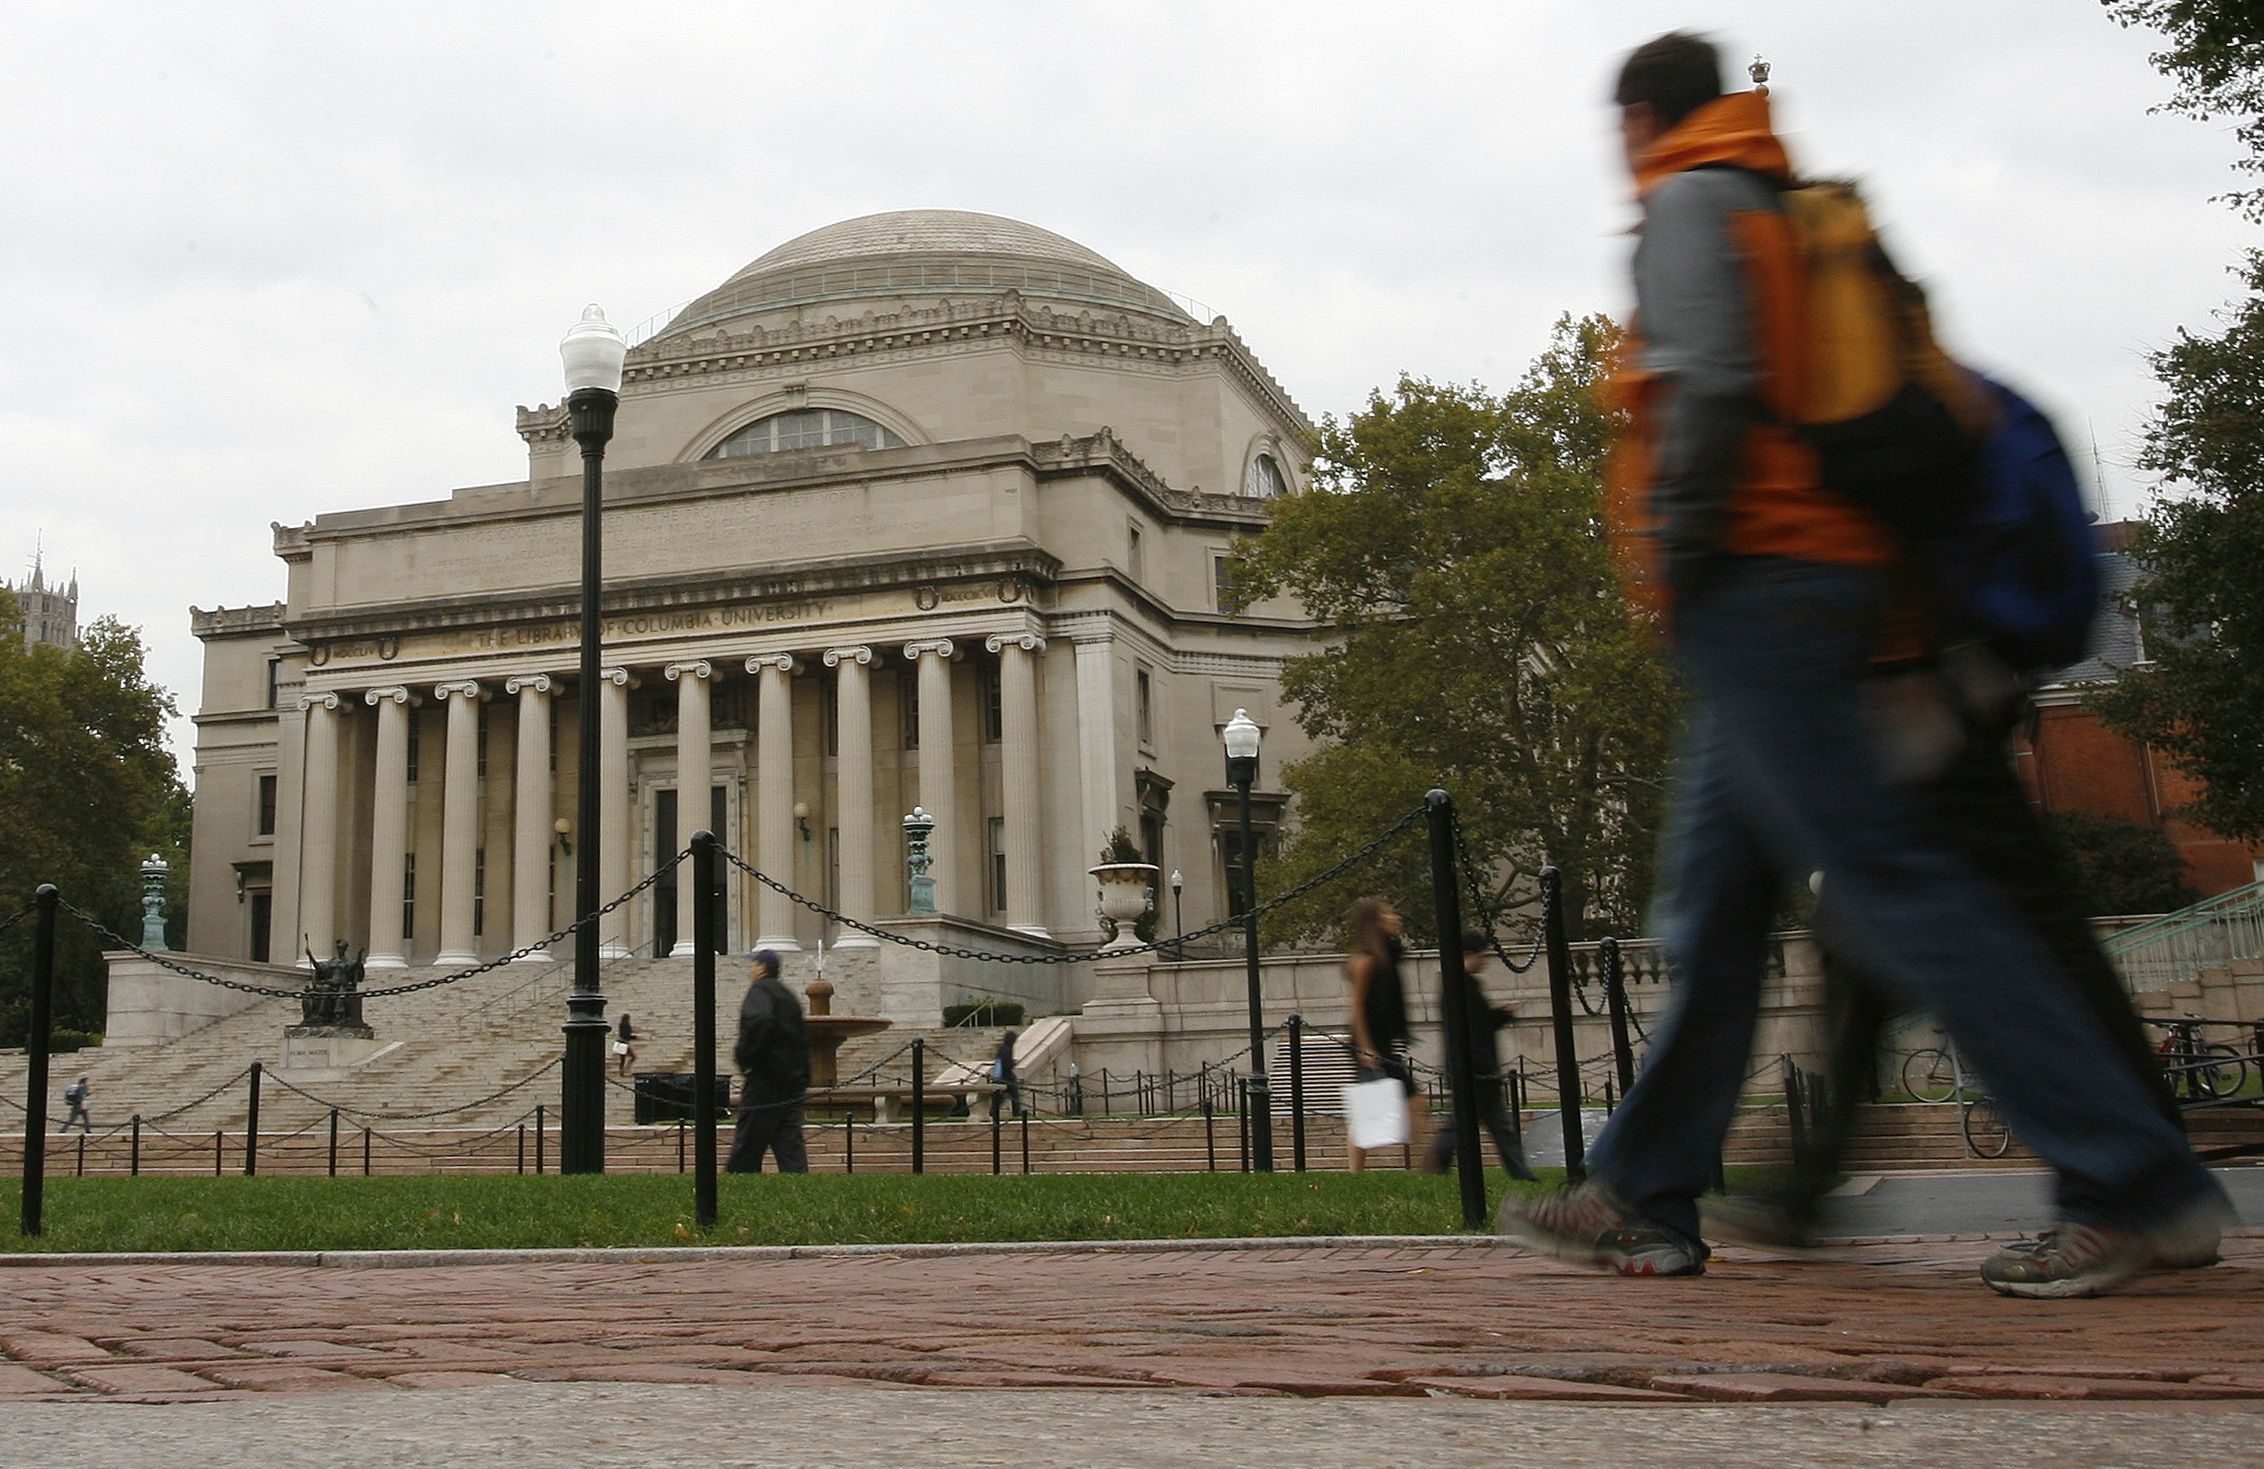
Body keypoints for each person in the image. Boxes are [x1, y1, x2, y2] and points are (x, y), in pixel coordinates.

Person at [1499, 31, 2229, 1296]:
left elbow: (1715, 394)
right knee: (1714, 906)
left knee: (1900, 886)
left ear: (1636, 121)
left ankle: (2132, 1180)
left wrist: (1677, 561)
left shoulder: (1686, 202)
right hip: (1815, 583)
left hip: (1759, 585)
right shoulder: (1784, 201)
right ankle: (1641, 1191)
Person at [1423, 932, 1538, 1182]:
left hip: (1473, 1069)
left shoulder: (1459, 985)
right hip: (1476, 1071)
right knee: (1482, 1126)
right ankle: (1519, 1172)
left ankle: (1519, 1172)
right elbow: (1471, 1032)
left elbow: (1478, 1025)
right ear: (1468, 955)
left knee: (1483, 1125)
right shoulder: (1461, 986)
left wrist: (1501, 1014)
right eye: (1482, 955)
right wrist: (1486, 1068)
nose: (1485, 961)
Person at [1344, 896, 1426, 1172]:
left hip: (1381, 1041)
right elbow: (1356, 1008)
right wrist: (1367, 1049)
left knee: (1405, 1103)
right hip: (1370, 1043)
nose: (1396, 918)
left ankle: (1420, 1166)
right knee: (1402, 1103)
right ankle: (1423, 1166)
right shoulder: (1366, 961)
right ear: (1375, 922)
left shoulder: (1386, 956)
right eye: (1389, 914)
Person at [726, 949, 809, 1174]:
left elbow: (759, 1021)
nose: (750, 969)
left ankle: (738, 1182)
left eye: (753, 964)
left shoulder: (760, 990)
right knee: (789, 1141)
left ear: (762, 968)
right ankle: (797, 1181)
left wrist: (746, 1058)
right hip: (791, 1080)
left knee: (749, 1139)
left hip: (765, 1077)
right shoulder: (787, 995)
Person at [989, 1028, 1024, 1120]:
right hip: (1007, 1078)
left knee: (998, 1099)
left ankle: (993, 1112)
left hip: (1000, 1077)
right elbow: (1007, 1065)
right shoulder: (1008, 1050)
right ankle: (1017, 1113)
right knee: (1014, 1095)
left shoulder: (1002, 1048)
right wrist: (1013, 1063)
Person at [613, 1013, 638, 1078]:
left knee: (622, 1059)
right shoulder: (626, 1026)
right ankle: (626, 1070)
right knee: (633, 1057)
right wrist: (635, 1037)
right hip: (623, 1043)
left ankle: (622, 1071)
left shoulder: (621, 1025)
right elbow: (626, 1036)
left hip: (619, 1042)